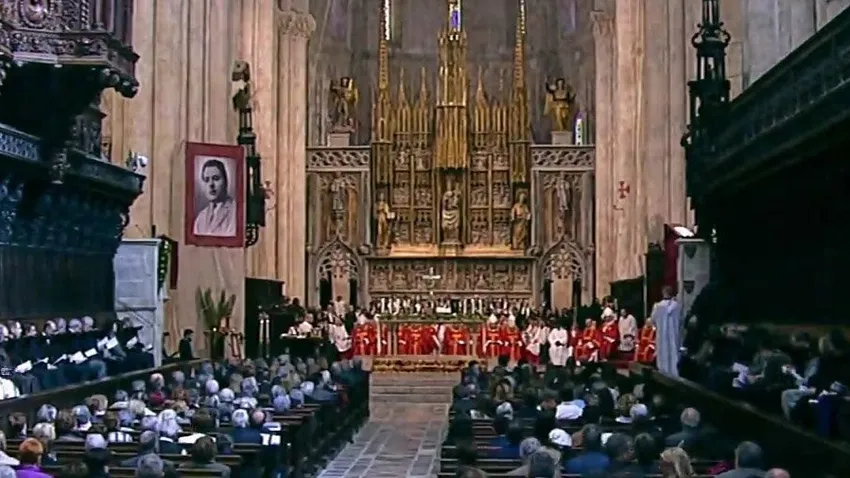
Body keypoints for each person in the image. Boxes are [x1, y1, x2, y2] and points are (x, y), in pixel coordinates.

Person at [193, 158, 236, 236]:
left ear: (226, 181)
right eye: (206, 180)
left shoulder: (236, 211)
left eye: (216, 178)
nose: (211, 184)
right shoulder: (200, 217)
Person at [652, 285, 682, 377]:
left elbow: (653, 320)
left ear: (663, 293)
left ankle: (663, 374)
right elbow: (681, 321)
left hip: (662, 336)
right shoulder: (677, 306)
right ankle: (675, 374)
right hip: (674, 335)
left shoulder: (657, 306)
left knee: (663, 355)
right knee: (674, 355)